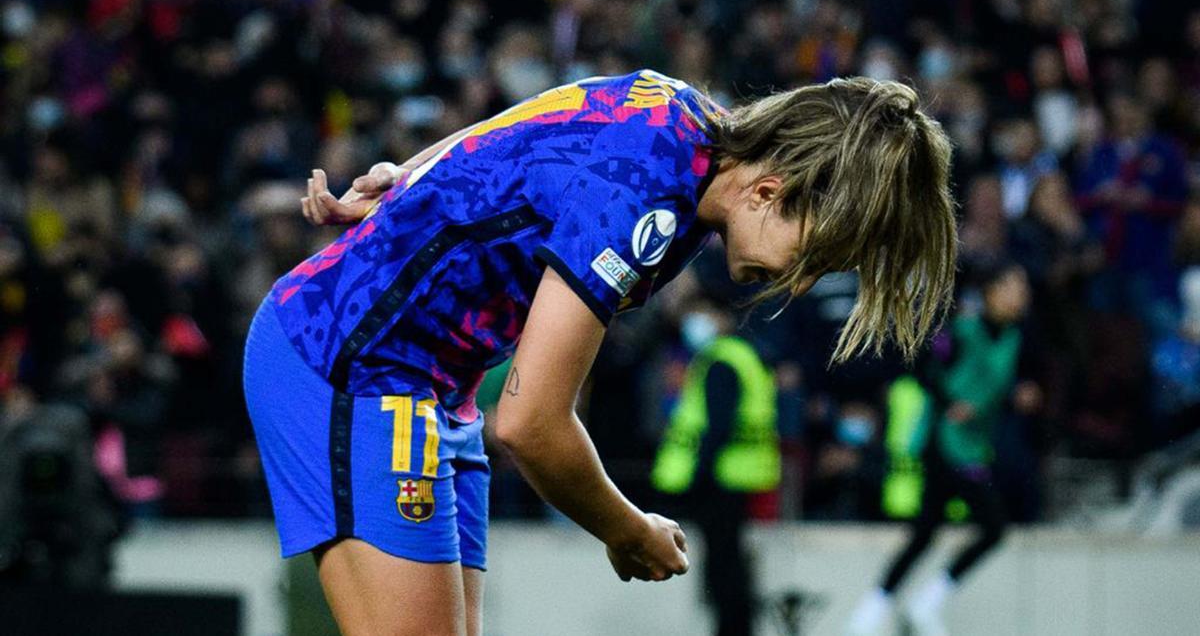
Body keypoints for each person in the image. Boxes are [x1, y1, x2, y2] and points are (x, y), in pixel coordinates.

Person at [243, 69, 957, 635]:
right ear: (770, 191)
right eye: (814, 256)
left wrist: (412, 177)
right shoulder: (646, 199)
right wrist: (628, 529)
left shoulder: (676, 110)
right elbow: (531, 424)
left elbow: (520, 124)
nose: (799, 283)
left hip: (431, 386)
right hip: (346, 362)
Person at [848, 262, 1040, 636]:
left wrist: (1021, 394)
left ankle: (874, 612)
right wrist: (952, 401)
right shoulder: (963, 331)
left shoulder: (1017, 337)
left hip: (973, 445)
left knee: (927, 531)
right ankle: (919, 605)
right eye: (1015, 285)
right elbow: (924, 367)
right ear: (993, 291)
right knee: (992, 525)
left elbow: (1011, 383)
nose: (1022, 295)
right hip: (943, 443)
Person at [652, 300, 780, 636]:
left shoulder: (722, 360)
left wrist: (699, 474)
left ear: (721, 316)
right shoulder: (744, 355)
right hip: (737, 476)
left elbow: (718, 425)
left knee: (725, 570)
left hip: (721, 479)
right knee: (729, 565)